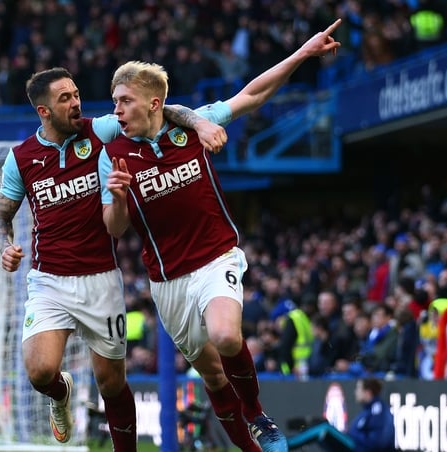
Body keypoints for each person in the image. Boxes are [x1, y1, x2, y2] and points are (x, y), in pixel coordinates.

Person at [99, 19, 342, 452]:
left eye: (124, 101)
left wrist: (302, 54)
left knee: (227, 337)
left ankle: (257, 416)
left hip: (216, 258)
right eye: (114, 102)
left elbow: (252, 93)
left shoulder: (191, 127)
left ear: (154, 103)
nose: (116, 110)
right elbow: (114, 229)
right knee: (212, 374)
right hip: (167, 280)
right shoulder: (113, 154)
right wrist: (117, 198)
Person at [0, 67, 226, 450]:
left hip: (100, 278)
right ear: (43, 111)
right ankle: (61, 392)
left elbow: (161, 110)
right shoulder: (20, 159)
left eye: (76, 94)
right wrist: (5, 245)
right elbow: (1, 216)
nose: (76, 103)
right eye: (64, 98)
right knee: (40, 371)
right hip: (49, 280)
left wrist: (198, 121)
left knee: (111, 383)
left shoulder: (99, 131)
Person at [286, 377, 396, 452]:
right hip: (356, 445)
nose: (355, 392)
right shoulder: (369, 410)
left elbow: (380, 441)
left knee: (325, 429)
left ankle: (286, 444)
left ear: (367, 392)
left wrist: (356, 439)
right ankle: (308, 428)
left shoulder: (378, 410)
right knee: (323, 432)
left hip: (360, 448)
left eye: (358, 389)